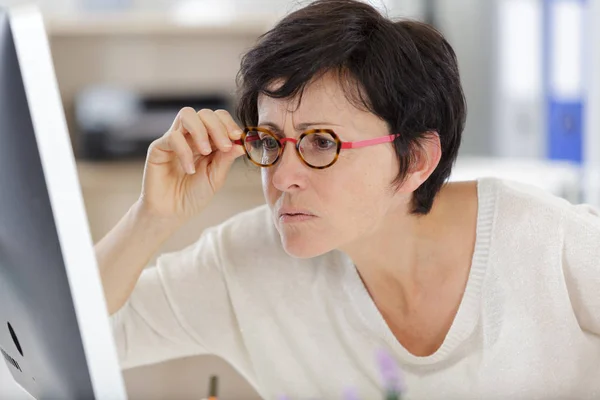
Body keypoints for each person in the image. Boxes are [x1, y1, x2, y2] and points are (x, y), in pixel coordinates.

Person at [97, 0, 600, 399]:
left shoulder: (549, 242)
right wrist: (150, 219)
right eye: (270, 141)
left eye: (321, 142)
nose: (283, 176)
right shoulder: (247, 260)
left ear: (416, 159)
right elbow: (43, 349)